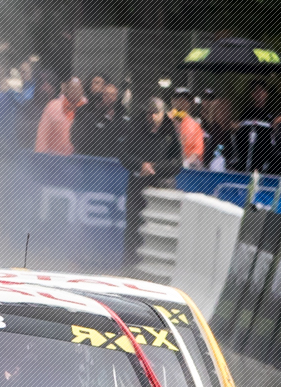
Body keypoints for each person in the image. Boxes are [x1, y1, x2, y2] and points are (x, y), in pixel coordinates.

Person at [121, 95, 184, 261]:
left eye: (156, 113)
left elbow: (178, 163)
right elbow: (123, 155)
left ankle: (156, 265)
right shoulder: (135, 127)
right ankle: (129, 265)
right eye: (149, 113)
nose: (152, 116)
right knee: (133, 227)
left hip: (161, 188)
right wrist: (140, 165)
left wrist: (155, 168)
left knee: (159, 230)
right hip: (138, 186)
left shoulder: (171, 130)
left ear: (163, 113)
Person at [220, 83, 273, 173]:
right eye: (256, 92)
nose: (259, 94)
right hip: (245, 155)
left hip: (264, 157)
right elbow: (238, 127)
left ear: (266, 94)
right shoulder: (247, 112)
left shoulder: (271, 112)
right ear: (252, 94)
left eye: (262, 91)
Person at [34, 76, 86, 155]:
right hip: (54, 157)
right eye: (72, 88)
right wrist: (40, 156)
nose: (75, 91)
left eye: (78, 89)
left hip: (79, 159)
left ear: (82, 91)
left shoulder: (87, 109)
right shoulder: (52, 106)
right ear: (66, 89)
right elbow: (43, 133)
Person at [71, 81, 123, 158]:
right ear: (102, 96)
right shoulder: (89, 116)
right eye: (106, 94)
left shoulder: (120, 120)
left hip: (111, 161)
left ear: (116, 98)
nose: (109, 97)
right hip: (88, 159)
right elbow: (75, 137)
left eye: (112, 94)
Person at [169, 89, 206, 169]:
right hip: (167, 164)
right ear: (172, 100)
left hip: (188, 166)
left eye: (187, 100)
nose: (183, 102)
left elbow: (197, 150)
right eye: (178, 98)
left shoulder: (195, 125)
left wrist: (186, 162)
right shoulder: (164, 119)